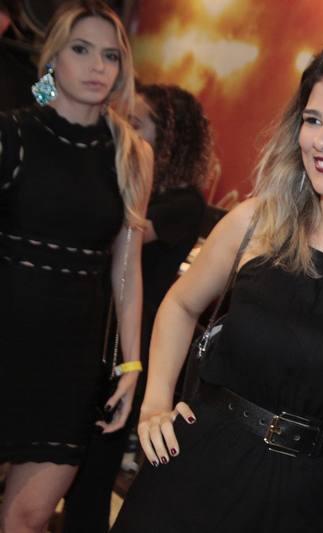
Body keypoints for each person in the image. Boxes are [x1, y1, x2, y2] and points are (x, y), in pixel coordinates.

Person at [111, 36, 323, 532]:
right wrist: (155, 403)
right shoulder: (257, 222)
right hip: (195, 472)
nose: (321, 140)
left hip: (312, 499)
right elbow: (180, 305)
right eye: (313, 119)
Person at [0, 1, 153, 531]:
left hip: (72, 361)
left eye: (110, 55)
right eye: (81, 50)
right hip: (6, 335)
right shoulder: (13, 134)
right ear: (52, 59)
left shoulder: (131, 152)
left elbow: (127, 268)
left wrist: (131, 363)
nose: (97, 66)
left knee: (28, 516)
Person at [62, 83, 210, 533]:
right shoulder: (148, 190)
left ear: (169, 137)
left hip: (133, 341)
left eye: (138, 123)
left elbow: (115, 235)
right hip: (105, 330)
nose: (128, 129)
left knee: (95, 468)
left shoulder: (183, 203)